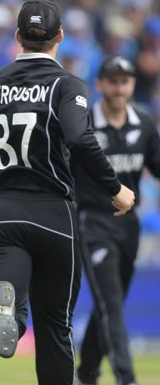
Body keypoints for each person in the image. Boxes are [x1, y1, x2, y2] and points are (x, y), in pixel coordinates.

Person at [0, 0, 135, 385]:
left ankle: (9, 313)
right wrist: (115, 188)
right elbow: (79, 137)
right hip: (52, 213)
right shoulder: (66, 85)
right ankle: (13, 314)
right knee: (56, 327)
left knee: (9, 291)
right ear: (59, 36)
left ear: (17, 37)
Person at [74, 55, 160, 385]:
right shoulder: (83, 124)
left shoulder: (144, 124)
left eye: (125, 81)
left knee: (110, 305)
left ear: (133, 84)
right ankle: (127, 378)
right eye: (113, 81)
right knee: (110, 302)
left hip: (129, 226)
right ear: (100, 84)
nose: (119, 88)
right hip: (93, 221)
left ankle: (86, 374)